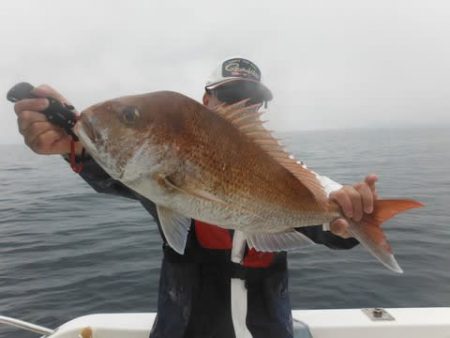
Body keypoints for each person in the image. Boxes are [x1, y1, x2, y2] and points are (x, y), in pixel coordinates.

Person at [14, 57, 378, 338]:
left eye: (254, 100)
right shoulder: (165, 160)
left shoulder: (289, 172)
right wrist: (73, 147)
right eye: (232, 96)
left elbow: (327, 211)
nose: (245, 106)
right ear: (207, 99)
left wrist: (347, 220)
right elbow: (114, 174)